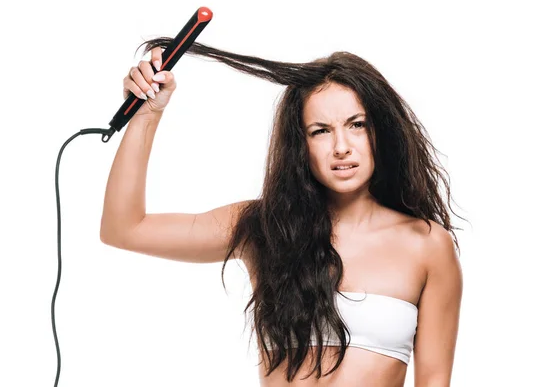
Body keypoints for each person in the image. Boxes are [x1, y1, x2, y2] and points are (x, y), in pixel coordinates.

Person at [100, 38, 464, 386]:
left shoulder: (427, 245)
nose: (341, 147)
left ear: (380, 131)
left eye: (357, 125)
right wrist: (147, 114)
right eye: (320, 131)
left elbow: (434, 381)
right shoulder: (264, 229)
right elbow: (125, 228)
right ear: (299, 145)